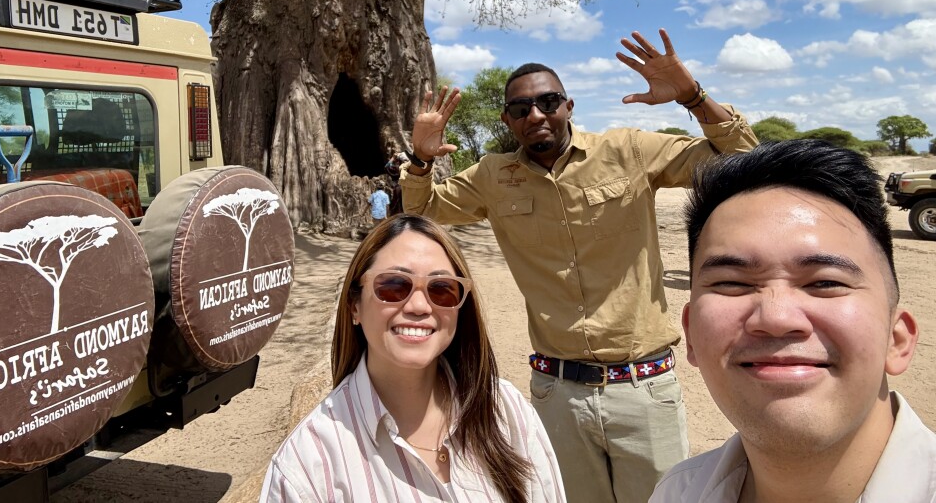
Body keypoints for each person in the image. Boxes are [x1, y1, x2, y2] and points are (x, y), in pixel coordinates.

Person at [400, 29, 758, 503]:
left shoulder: (628, 151)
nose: (535, 115)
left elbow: (745, 159)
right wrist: (420, 161)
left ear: (569, 106)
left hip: (644, 388)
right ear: (507, 120)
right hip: (557, 394)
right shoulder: (492, 177)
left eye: (548, 102)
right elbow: (421, 211)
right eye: (520, 109)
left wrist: (693, 96)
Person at [650, 139, 935, 502]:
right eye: (732, 283)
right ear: (691, 335)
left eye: (825, 282)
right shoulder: (677, 492)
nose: (776, 317)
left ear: (897, 339)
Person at [261, 214, 567, 502]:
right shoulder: (307, 466)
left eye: (442, 289)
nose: (419, 306)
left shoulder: (506, 410)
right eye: (394, 286)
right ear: (355, 305)